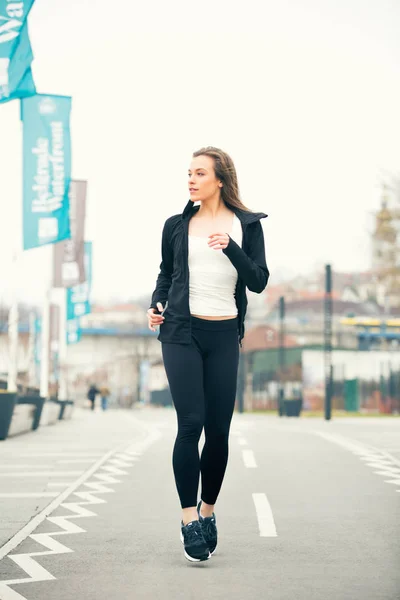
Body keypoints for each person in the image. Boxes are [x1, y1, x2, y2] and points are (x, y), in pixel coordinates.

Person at [147, 146, 269, 563]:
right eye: (189, 173)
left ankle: (208, 510)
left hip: (222, 335)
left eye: (200, 173)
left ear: (220, 179)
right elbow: (166, 273)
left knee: (217, 430)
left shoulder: (246, 226)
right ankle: (187, 519)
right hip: (181, 332)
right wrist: (157, 304)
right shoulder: (177, 225)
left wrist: (231, 247)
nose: (191, 179)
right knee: (191, 424)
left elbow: (258, 281)